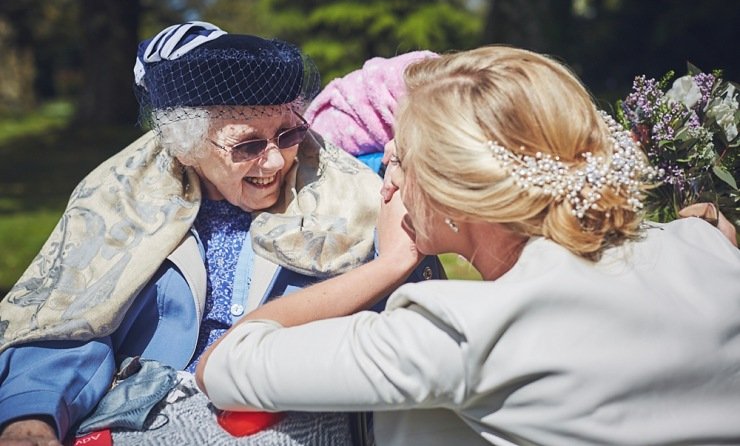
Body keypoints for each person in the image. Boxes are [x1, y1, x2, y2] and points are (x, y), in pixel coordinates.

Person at [197, 46, 740, 445]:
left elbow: (224, 365)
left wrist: (390, 265)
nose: (388, 185)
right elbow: (715, 234)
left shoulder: (457, 332)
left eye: (399, 161)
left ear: (454, 199)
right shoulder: (701, 244)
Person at [0, 22, 442, 445]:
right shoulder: (123, 200)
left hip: (294, 418)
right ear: (186, 144)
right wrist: (32, 418)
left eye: (287, 135)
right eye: (248, 145)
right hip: (140, 420)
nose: (273, 163)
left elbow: (409, 333)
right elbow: (70, 325)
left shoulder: (347, 195)